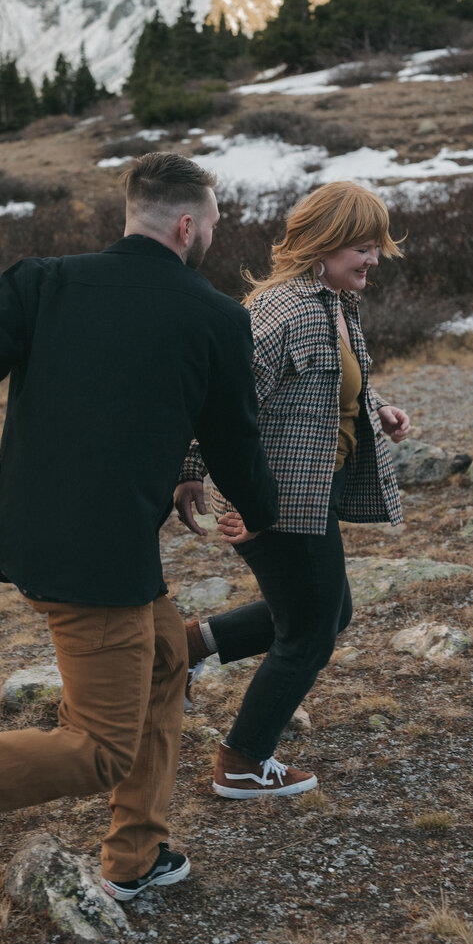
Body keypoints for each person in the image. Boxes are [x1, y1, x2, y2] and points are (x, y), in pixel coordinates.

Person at [0, 152, 278, 900]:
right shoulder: (217, 318)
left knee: (169, 657)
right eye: (213, 226)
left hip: (37, 541)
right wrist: (267, 521)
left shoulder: (42, 283)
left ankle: (139, 855)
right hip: (99, 567)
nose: (212, 237)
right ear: (186, 224)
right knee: (100, 748)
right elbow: (237, 443)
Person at [174, 180, 411, 800]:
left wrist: (377, 408)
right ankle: (243, 761)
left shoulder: (332, 302)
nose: (374, 260)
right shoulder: (288, 309)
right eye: (364, 246)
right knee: (309, 633)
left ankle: (180, 650)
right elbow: (223, 400)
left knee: (329, 614)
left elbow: (327, 383)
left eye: (377, 247)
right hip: (275, 499)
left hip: (310, 492)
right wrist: (194, 472)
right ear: (326, 243)